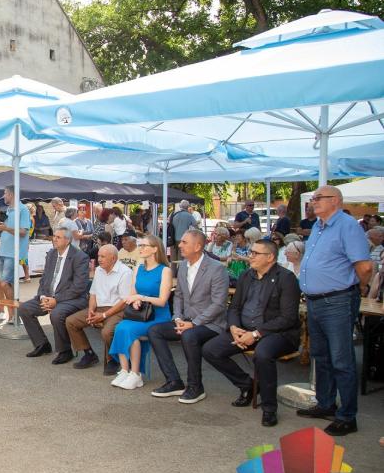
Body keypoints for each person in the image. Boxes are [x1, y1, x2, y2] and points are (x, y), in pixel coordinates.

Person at [297, 186, 373, 436]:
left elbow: (364, 267)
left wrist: (357, 288)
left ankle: (347, 416)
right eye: (313, 198)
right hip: (316, 300)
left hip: (337, 300)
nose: (314, 201)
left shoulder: (347, 226)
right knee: (322, 355)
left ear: (336, 201)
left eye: (319, 198)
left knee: (342, 359)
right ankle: (326, 403)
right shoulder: (319, 226)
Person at [202, 239, 301, 427]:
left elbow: (287, 318)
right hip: (244, 329)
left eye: (256, 253)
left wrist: (255, 334)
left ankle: (270, 409)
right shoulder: (247, 276)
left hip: (277, 333)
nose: (250, 256)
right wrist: (234, 328)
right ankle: (248, 386)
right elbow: (234, 307)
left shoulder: (286, 278)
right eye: (251, 252)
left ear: (270, 257)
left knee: (263, 355)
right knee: (210, 349)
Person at [148, 230, 229, 403]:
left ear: (198, 246)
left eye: (184, 242)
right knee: (155, 330)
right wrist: (177, 317)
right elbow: (178, 295)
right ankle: (174, 381)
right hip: (186, 321)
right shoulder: (183, 265)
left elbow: (219, 304)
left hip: (210, 324)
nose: (179, 245)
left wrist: (194, 323)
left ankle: (195, 386)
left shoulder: (217, 269)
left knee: (189, 335)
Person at [19, 225, 89, 363]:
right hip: (50, 297)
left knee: (57, 314)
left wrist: (56, 300)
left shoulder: (80, 257)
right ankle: (42, 344)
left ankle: (65, 350)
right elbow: (45, 279)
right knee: (24, 308)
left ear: (68, 240)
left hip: (72, 299)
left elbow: (79, 287)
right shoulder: (51, 254)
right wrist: (43, 296)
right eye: (54, 236)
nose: (54, 239)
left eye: (58, 237)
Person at [110, 234, 172, 390]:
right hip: (140, 314)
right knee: (120, 327)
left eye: (145, 245)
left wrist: (141, 297)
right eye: (140, 245)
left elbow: (162, 300)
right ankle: (125, 370)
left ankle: (136, 374)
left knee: (128, 329)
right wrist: (136, 299)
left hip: (158, 316)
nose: (141, 248)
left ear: (155, 249)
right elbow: (132, 294)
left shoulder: (165, 270)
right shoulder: (138, 267)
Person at [65, 244, 133, 372]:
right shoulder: (99, 270)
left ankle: (113, 359)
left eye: (103, 256)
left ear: (113, 258)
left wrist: (103, 316)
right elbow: (93, 293)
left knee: (107, 332)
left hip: (117, 310)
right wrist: (91, 310)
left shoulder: (125, 272)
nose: (99, 259)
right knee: (71, 322)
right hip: (98, 308)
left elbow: (124, 302)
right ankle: (89, 354)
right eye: (98, 256)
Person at [0, 186, 32, 325]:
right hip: (3, 251)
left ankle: (16, 314)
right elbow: (7, 231)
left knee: (5, 283)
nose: (3, 196)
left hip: (13, 252)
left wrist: (5, 228)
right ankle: (13, 316)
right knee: (7, 284)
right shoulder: (8, 210)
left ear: (11, 194)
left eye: (5, 194)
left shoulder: (22, 209)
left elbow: (22, 232)